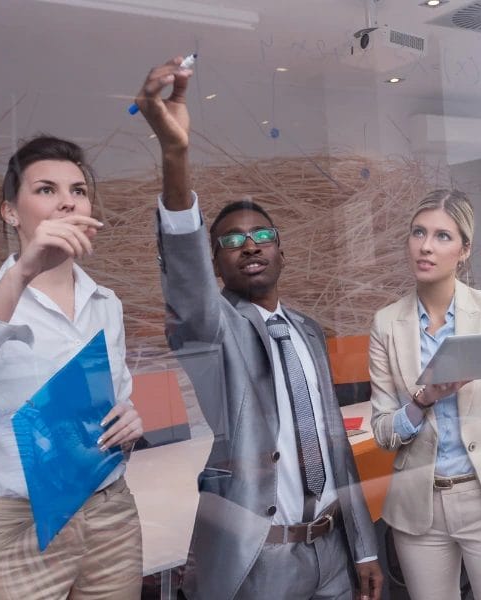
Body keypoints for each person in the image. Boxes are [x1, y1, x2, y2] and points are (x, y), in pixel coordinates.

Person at [134, 56, 383, 600]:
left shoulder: (308, 331)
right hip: (263, 560)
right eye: (230, 241)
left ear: (281, 252)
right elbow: (187, 285)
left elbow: (337, 450)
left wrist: (364, 547)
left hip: (334, 551)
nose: (249, 245)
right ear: (216, 264)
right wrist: (175, 154)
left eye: (262, 236)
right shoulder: (215, 330)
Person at [0, 136, 144, 599]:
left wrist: (129, 419)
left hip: (109, 511)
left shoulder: (106, 302)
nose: (67, 201)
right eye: (46, 189)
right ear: (10, 212)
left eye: (78, 190)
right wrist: (21, 273)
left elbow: (115, 399)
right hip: (16, 523)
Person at [368, 189, 481, 600]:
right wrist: (423, 399)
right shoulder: (386, 324)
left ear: (464, 250)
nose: (426, 246)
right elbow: (383, 432)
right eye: (418, 232)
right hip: (420, 507)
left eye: (442, 236)